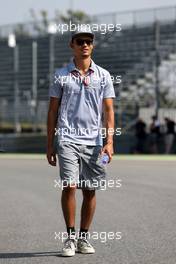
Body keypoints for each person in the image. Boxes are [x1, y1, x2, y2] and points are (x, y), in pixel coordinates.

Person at [47, 27, 115, 257]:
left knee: (90, 190)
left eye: (88, 41)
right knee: (70, 185)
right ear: (72, 45)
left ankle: (84, 238)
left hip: (94, 142)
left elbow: (108, 110)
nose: (85, 44)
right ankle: (70, 237)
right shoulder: (61, 75)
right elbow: (52, 110)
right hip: (67, 138)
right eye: (80, 41)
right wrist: (50, 143)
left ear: (92, 45)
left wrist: (109, 141)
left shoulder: (104, 75)